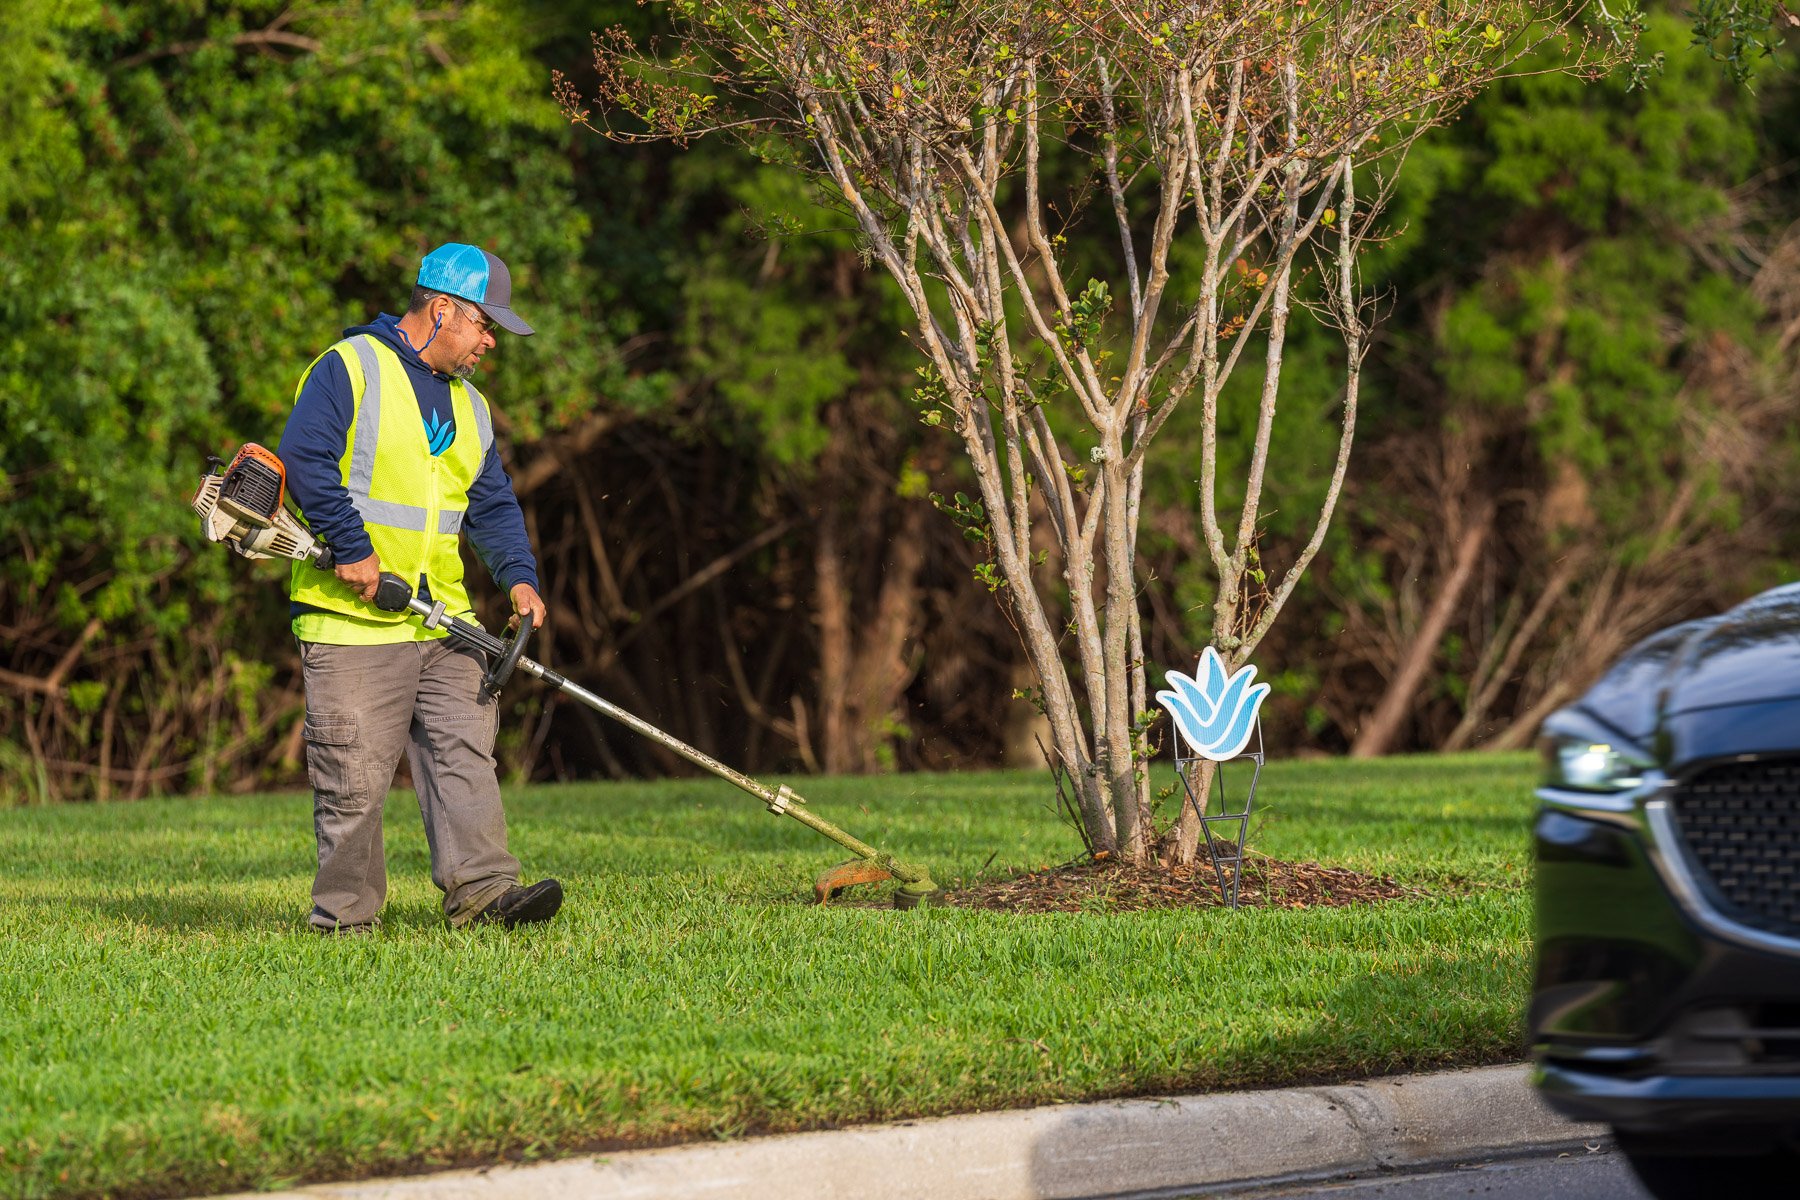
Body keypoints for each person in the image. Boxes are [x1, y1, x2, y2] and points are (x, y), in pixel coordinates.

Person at [277, 242, 562, 934]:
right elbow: (304, 459)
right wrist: (353, 546)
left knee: (464, 748)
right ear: (441, 310)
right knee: (355, 779)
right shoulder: (349, 370)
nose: (490, 342)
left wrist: (518, 578)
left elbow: (490, 503)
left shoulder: (472, 405)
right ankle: (345, 920)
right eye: (484, 325)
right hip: (353, 622)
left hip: (442, 619)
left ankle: (487, 893)